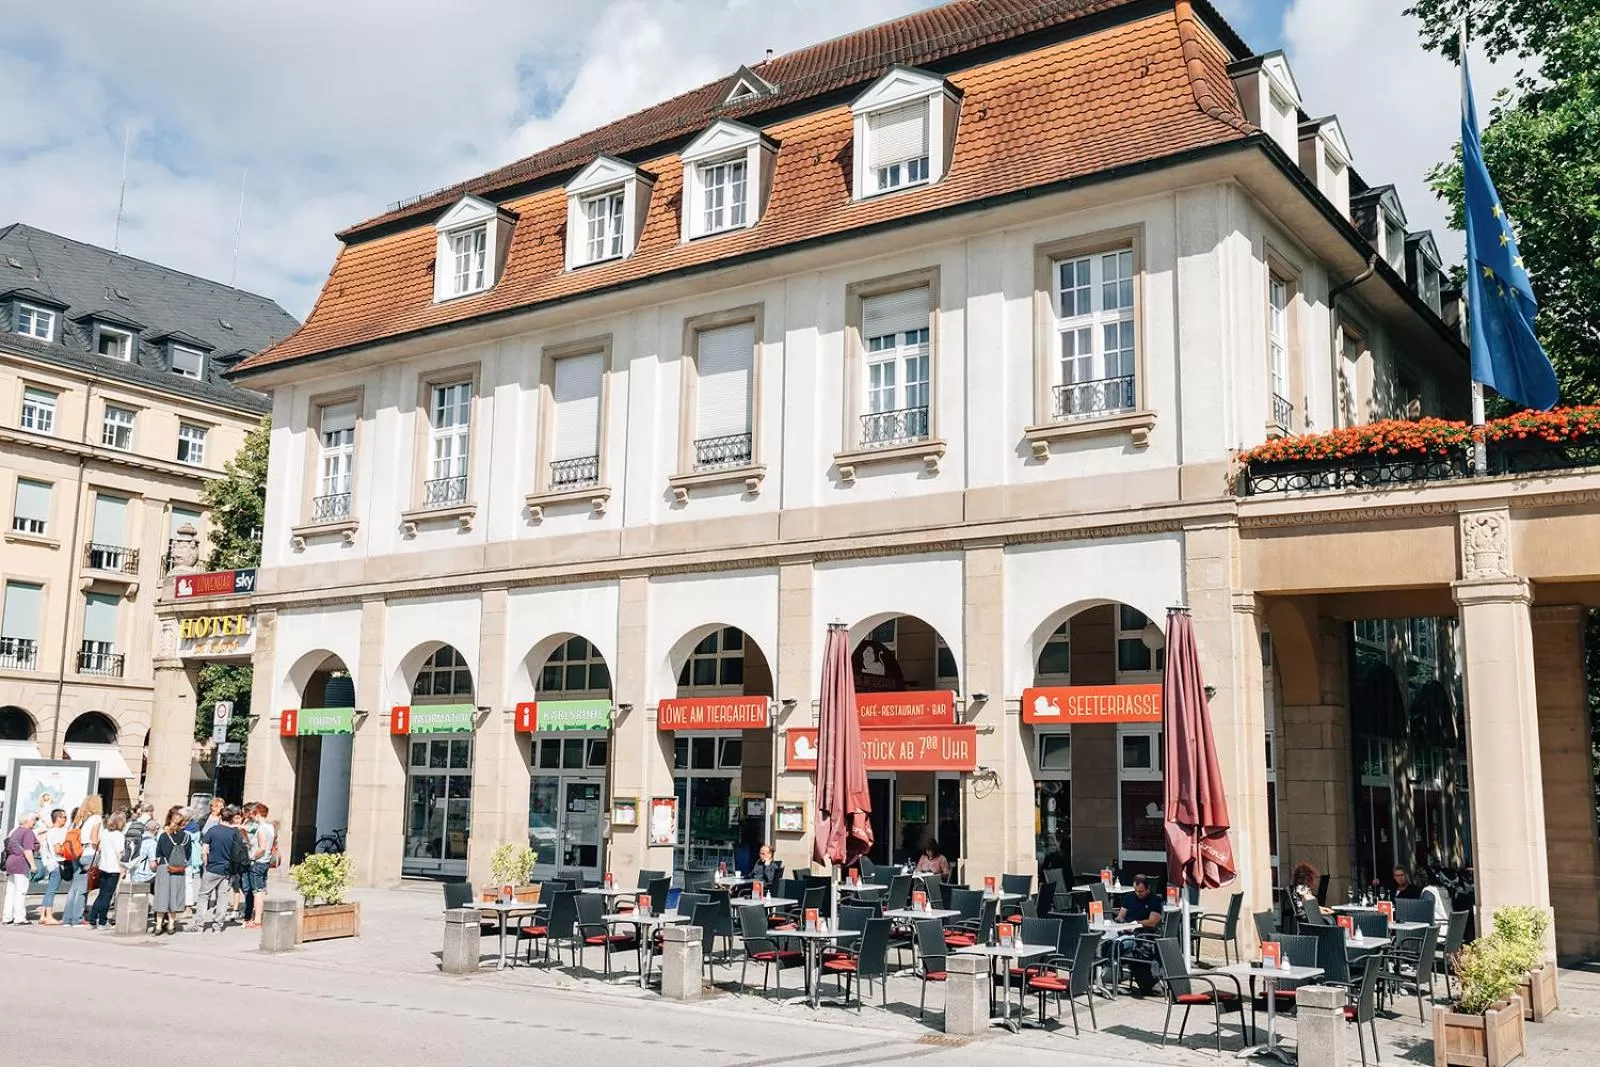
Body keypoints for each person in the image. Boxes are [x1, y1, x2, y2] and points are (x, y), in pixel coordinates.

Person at [1103, 873, 1164, 995]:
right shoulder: (1129, 897)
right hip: (1124, 929)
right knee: (1102, 940)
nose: (1138, 894)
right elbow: (1121, 916)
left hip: (1140, 935)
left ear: (1148, 889)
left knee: (1116, 945)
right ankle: (1098, 973)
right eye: (1136, 891)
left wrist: (1136, 923)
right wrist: (1120, 922)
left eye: (1141, 891)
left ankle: (1104, 972)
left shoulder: (1155, 901)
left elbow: (1152, 922)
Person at [195, 804, 239, 932]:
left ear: (220, 817)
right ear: (231, 818)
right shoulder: (234, 834)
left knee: (203, 896)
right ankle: (218, 925)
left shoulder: (212, 831)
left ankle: (199, 925)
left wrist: (206, 864)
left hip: (212, 867)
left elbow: (204, 851)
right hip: (227, 870)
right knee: (223, 897)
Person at [62, 795, 104, 928]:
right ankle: (77, 919)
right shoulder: (96, 818)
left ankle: (67, 918)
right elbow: (94, 838)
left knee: (74, 887)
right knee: (83, 889)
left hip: (76, 853)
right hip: (89, 853)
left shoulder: (78, 819)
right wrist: (100, 850)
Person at [152, 806, 190, 934]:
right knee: (174, 896)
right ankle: (171, 925)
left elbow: (158, 853)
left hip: (164, 867)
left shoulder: (163, 836)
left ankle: (158, 926)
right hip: (179, 870)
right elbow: (188, 855)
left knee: (162, 895)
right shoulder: (187, 837)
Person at [88, 812, 127, 928]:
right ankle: (102, 921)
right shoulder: (119, 835)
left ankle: (93, 918)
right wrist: (122, 868)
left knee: (101, 894)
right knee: (108, 895)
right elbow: (119, 852)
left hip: (103, 866)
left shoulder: (105, 833)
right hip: (114, 867)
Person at [3, 812, 40, 925]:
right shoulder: (28, 832)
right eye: (34, 820)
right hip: (21, 863)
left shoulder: (15, 831)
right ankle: (19, 918)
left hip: (10, 862)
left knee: (10, 891)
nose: (35, 822)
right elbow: (28, 850)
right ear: (27, 821)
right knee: (21, 892)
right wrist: (33, 866)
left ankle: (7, 917)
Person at [246, 803, 276, 928]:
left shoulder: (262, 828)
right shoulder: (270, 827)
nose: (252, 816)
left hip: (258, 862)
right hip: (266, 861)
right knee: (262, 890)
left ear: (257, 813)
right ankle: (260, 916)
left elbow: (262, 848)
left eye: (253, 814)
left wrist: (252, 857)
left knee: (257, 892)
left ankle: (257, 919)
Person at [36, 809, 68, 925]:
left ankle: (43, 915)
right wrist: (69, 854)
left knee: (50, 889)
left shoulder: (51, 831)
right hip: (56, 863)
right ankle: (49, 915)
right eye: (63, 817)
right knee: (52, 890)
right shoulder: (57, 832)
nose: (65, 819)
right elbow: (58, 850)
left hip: (50, 863)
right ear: (57, 818)